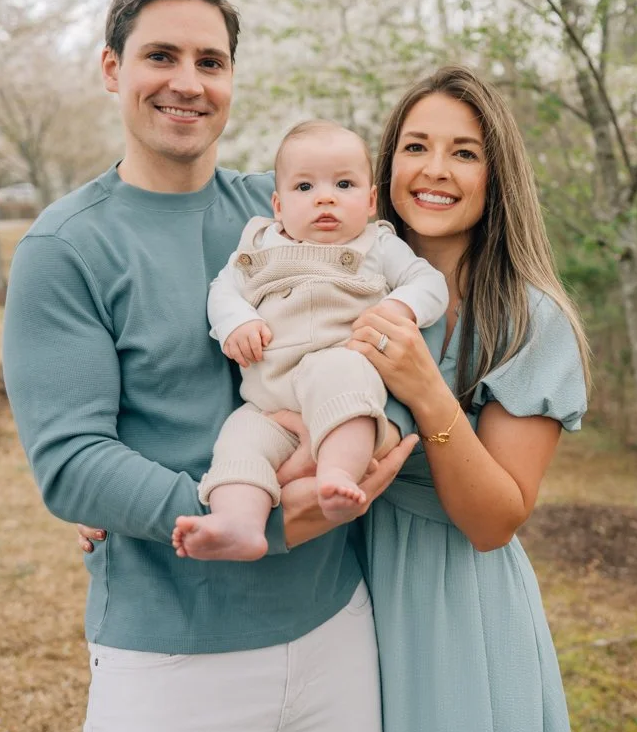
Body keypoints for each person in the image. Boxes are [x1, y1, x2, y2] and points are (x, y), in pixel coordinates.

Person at [2, 0, 417, 732]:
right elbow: (72, 463)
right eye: (161, 55)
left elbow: (410, 277)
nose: (188, 83)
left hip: (332, 625)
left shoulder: (284, 213)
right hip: (171, 652)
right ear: (112, 69)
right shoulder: (64, 250)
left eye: (212, 61)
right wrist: (245, 511)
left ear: (231, 80)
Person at [345, 66, 590, 732]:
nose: (437, 170)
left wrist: (425, 387)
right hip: (334, 584)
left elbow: (495, 520)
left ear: (497, 176)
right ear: (387, 168)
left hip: (453, 603)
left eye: (465, 152)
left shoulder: (528, 318)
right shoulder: (339, 275)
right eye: (416, 146)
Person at [173, 118, 447, 561]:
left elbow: (429, 282)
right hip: (267, 403)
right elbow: (222, 290)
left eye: (343, 184)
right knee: (238, 442)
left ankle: (337, 475)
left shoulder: (377, 244)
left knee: (344, 379)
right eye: (304, 188)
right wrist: (237, 322)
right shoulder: (258, 244)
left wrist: (397, 309)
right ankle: (239, 524)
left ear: (371, 200)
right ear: (278, 205)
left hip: (339, 371)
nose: (325, 197)